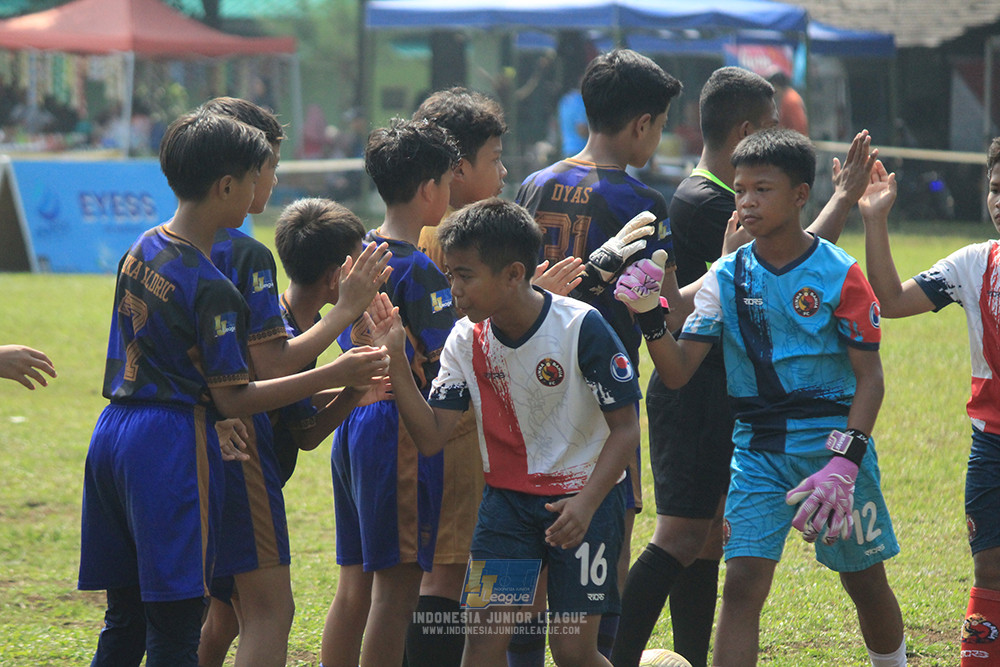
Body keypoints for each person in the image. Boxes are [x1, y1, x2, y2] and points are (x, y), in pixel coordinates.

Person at [77, 110, 390, 667]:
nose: (261, 184)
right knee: (176, 625)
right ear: (227, 186)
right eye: (257, 173)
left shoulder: (142, 247)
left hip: (112, 433)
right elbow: (237, 396)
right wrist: (338, 362)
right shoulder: (217, 283)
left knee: (125, 618)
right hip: (170, 441)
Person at [611, 67, 879, 667]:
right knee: (687, 541)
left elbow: (801, 264)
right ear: (746, 130)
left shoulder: (748, 218)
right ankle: (614, 656)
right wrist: (653, 310)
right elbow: (715, 304)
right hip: (706, 398)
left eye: (762, 189)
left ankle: (688, 656)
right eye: (746, 189)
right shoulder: (706, 201)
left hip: (754, 405)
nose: (749, 202)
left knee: (713, 542)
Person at [380, 197, 641, 667]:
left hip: (584, 503)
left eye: (465, 276)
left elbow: (625, 430)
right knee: (481, 645)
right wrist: (397, 360)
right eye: (450, 276)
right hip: (506, 509)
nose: (454, 290)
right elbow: (432, 437)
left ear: (514, 274)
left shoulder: (582, 327)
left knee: (572, 650)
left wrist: (585, 506)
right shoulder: (465, 339)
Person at [195, 97, 392, 667]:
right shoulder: (246, 263)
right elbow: (270, 378)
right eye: (272, 165)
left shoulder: (197, 252)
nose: (274, 176)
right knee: (269, 613)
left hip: (206, 451)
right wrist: (342, 353)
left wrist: (352, 389)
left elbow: (302, 427)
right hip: (239, 463)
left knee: (224, 614)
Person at [515, 48, 682, 660]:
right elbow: (662, 307)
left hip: (530, 392)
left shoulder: (535, 184)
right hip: (601, 404)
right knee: (596, 581)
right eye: (660, 125)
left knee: (527, 582)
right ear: (642, 123)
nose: (659, 138)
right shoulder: (642, 204)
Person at [319, 117, 461, 667]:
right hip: (398, 426)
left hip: (353, 418)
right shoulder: (420, 270)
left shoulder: (357, 254)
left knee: (354, 589)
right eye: (447, 182)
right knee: (396, 596)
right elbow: (451, 357)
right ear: (429, 189)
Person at [859, 138, 1000, 667]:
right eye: (994, 188)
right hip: (991, 449)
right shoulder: (974, 264)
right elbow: (890, 301)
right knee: (989, 572)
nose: (998, 201)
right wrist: (874, 219)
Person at [768, 71, 808, 137]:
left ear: (777, 85)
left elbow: (798, 126)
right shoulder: (787, 97)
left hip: (795, 141)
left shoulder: (790, 100)